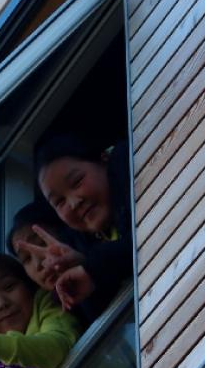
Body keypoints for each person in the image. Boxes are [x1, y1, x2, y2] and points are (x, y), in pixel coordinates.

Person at [33, 133, 134, 310]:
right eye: (59, 202)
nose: (74, 203)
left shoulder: (128, 161)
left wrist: (92, 268)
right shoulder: (78, 242)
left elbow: (145, 240)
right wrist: (78, 267)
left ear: (103, 158)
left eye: (77, 182)